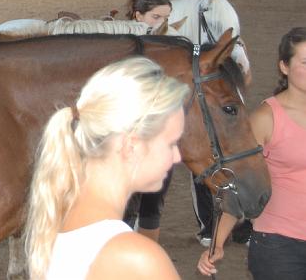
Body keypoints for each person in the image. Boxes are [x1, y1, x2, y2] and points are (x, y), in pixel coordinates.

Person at [24, 56, 189, 280]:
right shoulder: (136, 259)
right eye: (171, 143)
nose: (178, 157)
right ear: (131, 146)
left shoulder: (56, 228)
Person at [198, 27, 306, 279]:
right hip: (280, 245)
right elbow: (238, 184)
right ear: (284, 67)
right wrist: (217, 243)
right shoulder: (266, 119)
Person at [122, 0, 173, 242]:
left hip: (158, 138)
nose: (162, 23)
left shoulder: (168, 48)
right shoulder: (120, 47)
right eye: (156, 17)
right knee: (124, 206)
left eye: (166, 18)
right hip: (127, 139)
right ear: (137, 15)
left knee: (152, 207)